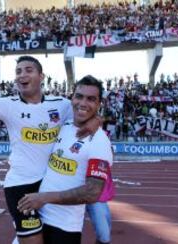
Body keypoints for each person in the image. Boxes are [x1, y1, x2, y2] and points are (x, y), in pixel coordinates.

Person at [0, 56, 101, 244]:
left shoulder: (61, 104)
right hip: (20, 187)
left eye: (28, 70)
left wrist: (96, 121)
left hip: (51, 186)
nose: (22, 75)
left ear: (41, 76)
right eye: (18, 71)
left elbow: (86, 111)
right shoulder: (7, 104)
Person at [17, 75, 114, 244]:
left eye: (91, 99)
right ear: (72, 98)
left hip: (63, 228)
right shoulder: (63, 125)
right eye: (79, 96)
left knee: (104, 235)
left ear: (99, 104)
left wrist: (44, 198)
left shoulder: (99, 141)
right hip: (37, 216)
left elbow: (92, 192)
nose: (83, 103)